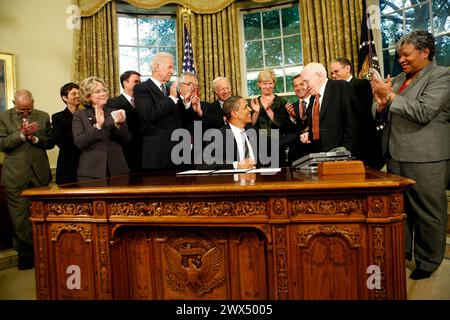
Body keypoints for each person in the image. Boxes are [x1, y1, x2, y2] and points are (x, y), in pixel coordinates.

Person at [371, 30, 450, 280]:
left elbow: (424, 111)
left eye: (406, 55)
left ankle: (428, 261)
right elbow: (379, 110)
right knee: (400, 211)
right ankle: (401, 253)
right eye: (399, 55)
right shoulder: (398, 79)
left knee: (429, 212)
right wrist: (381, 104)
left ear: (425, 53)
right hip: (395, 155)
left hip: (426, 158)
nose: (401, 59)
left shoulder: (442, 75)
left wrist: (389, 96)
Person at [0, 89, 52, 269]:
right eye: (21, 110)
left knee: (42, 217)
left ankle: (44, 254)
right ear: (15, 104)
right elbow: (2, 145)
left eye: (29, 109)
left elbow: (50, 142)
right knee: (20, 219)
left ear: (33, 103)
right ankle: (26, 257)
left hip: (40, 174)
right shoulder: (3, 117)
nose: (26, 113)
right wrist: (21, 135)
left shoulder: (43, 116)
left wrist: (35, 138)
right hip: (15, 176)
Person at [133, 53, 201, 170]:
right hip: (158, 153)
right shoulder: (142, 88)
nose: (172, 71)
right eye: (170, 67)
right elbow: (149, 115)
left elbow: (183, 120)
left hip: (179, 151)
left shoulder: (171, 89)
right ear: (157, 67)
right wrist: (172, 98)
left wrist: (186, 103)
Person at [330, 57, 384, 169]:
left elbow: (362, 111)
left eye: (336, 72)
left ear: (347, 69)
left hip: (363, 144)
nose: (334, 76)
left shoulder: (361, 84)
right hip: (344, 145)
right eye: (331, 74)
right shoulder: (333, 91)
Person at [73, 76, 131, 182]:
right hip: (91, 171)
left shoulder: (116, 112)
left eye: (104, 90)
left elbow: (126, 139)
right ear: (88, 96)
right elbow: (80, 142)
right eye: (97, 91)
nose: (103, 93)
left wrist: (119, 125)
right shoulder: (80, 115)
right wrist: (97, 126)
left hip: (117, 169)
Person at [299, 62, 360, 157]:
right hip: (319, 156)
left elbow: (353, 123)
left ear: (319, 76)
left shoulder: (341, 87)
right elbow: (318, 126)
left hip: (342, 156)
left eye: (307, 81)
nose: (305, 87)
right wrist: (308, 134)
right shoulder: (312, 98)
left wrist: (346, 152)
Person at [198, 95, 257, 170]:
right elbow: (202, 163)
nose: (250, 109)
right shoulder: (218, 136)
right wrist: (236, 165)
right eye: (246, 107)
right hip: (234, 180)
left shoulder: (253, 131)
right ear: (235, 113)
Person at [250, 69, 294, 166]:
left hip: (277, 143)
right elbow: (251, 125)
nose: (268, 86)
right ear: (259, 84)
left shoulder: (281, 101)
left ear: (274, 83)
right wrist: (256, 112)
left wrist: (268, 109)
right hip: (259, 144)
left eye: (270, 83)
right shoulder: (255, 102)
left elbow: (283, 125)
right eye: (265, 83)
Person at [107, 70, 142, 173]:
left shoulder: (143, 101)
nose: (139, 84)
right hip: (125, 149)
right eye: (136, 81)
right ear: (125, 83)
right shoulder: (113, 102)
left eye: (140, 82)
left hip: (143, 148)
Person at [50, 82, 81, 185]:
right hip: (67, 163)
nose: (77, 96)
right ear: (65, 98)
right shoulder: (57, 117)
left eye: (79, 93)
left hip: (85, 161)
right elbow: (60, 142)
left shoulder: (87, 114)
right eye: (73, 94)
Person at [284, 74, 313, 164]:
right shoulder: (291, 107)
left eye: (301, 84)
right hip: (297, 156)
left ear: (308, 85)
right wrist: (292, 118)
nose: (298, 88)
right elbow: (288, 133)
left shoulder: (317, 102)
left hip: (315, 152)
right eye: (295, 86)